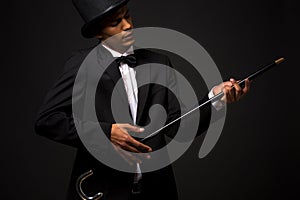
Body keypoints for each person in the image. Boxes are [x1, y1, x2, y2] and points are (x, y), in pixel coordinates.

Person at [35, 0, 250, 199]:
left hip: (156, 191)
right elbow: (47, 120)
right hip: (101, 190)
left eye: (128, 16)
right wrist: (106, 132)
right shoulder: (81, 64)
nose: (127, 26)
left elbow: (179, 127)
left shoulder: (159, 62)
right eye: (116, 23)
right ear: (98, 32)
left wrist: (216, 98)